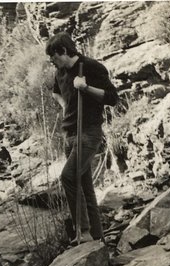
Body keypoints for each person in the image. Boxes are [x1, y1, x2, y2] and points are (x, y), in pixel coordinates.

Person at [46, 32, 119, 243]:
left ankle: (83, 231)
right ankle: (97, 237)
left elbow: (112, 98)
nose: (52, 60)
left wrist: (85, 88)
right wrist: (67, 107)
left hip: (89, 133)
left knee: (68, 177)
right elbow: (56, 92)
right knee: (85, 187)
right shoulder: (60, 72)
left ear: (64, 51)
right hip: (69, 134)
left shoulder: (91, 67)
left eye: (54, 56)